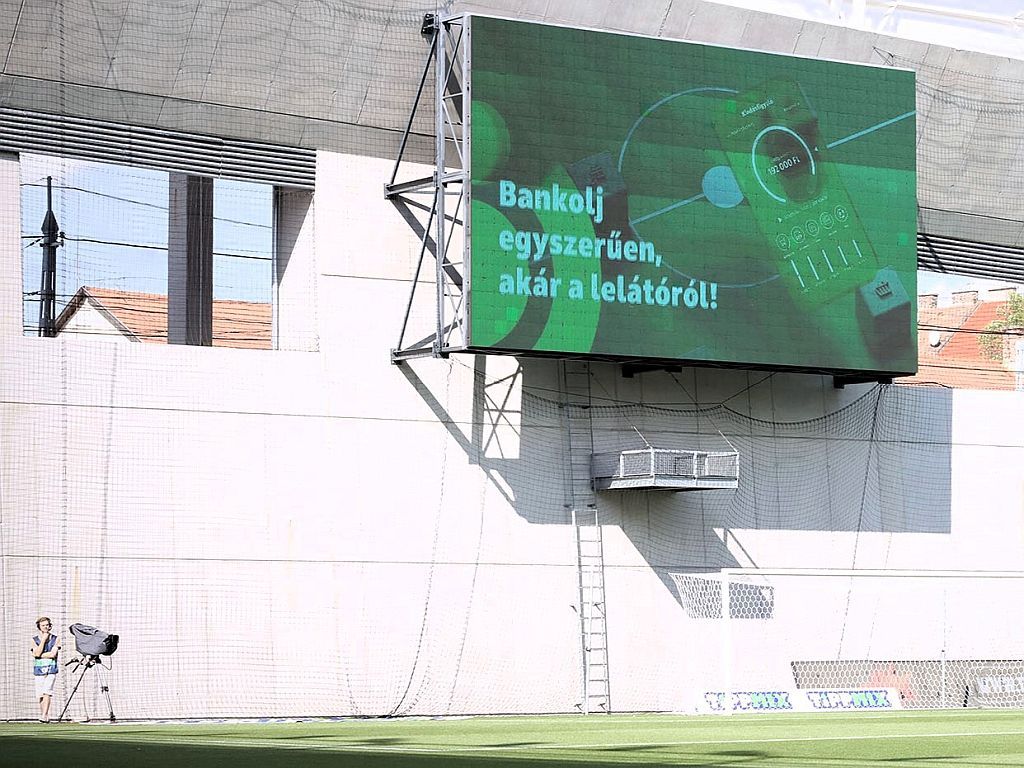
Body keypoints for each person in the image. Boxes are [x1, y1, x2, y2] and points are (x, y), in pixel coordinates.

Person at [31, 617, 60, 722]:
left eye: (47, 625)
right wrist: (43, 640)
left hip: (51, 669)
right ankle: (44, 715)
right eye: (43, 625)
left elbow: (53, 654)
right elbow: (36, 654)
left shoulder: (56, 638)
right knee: (40, 694)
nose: (46, 627)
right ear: (39, 627)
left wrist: (40, 654)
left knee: (47, 691)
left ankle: (44, 714)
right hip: (39, 670)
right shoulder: (34, 640)